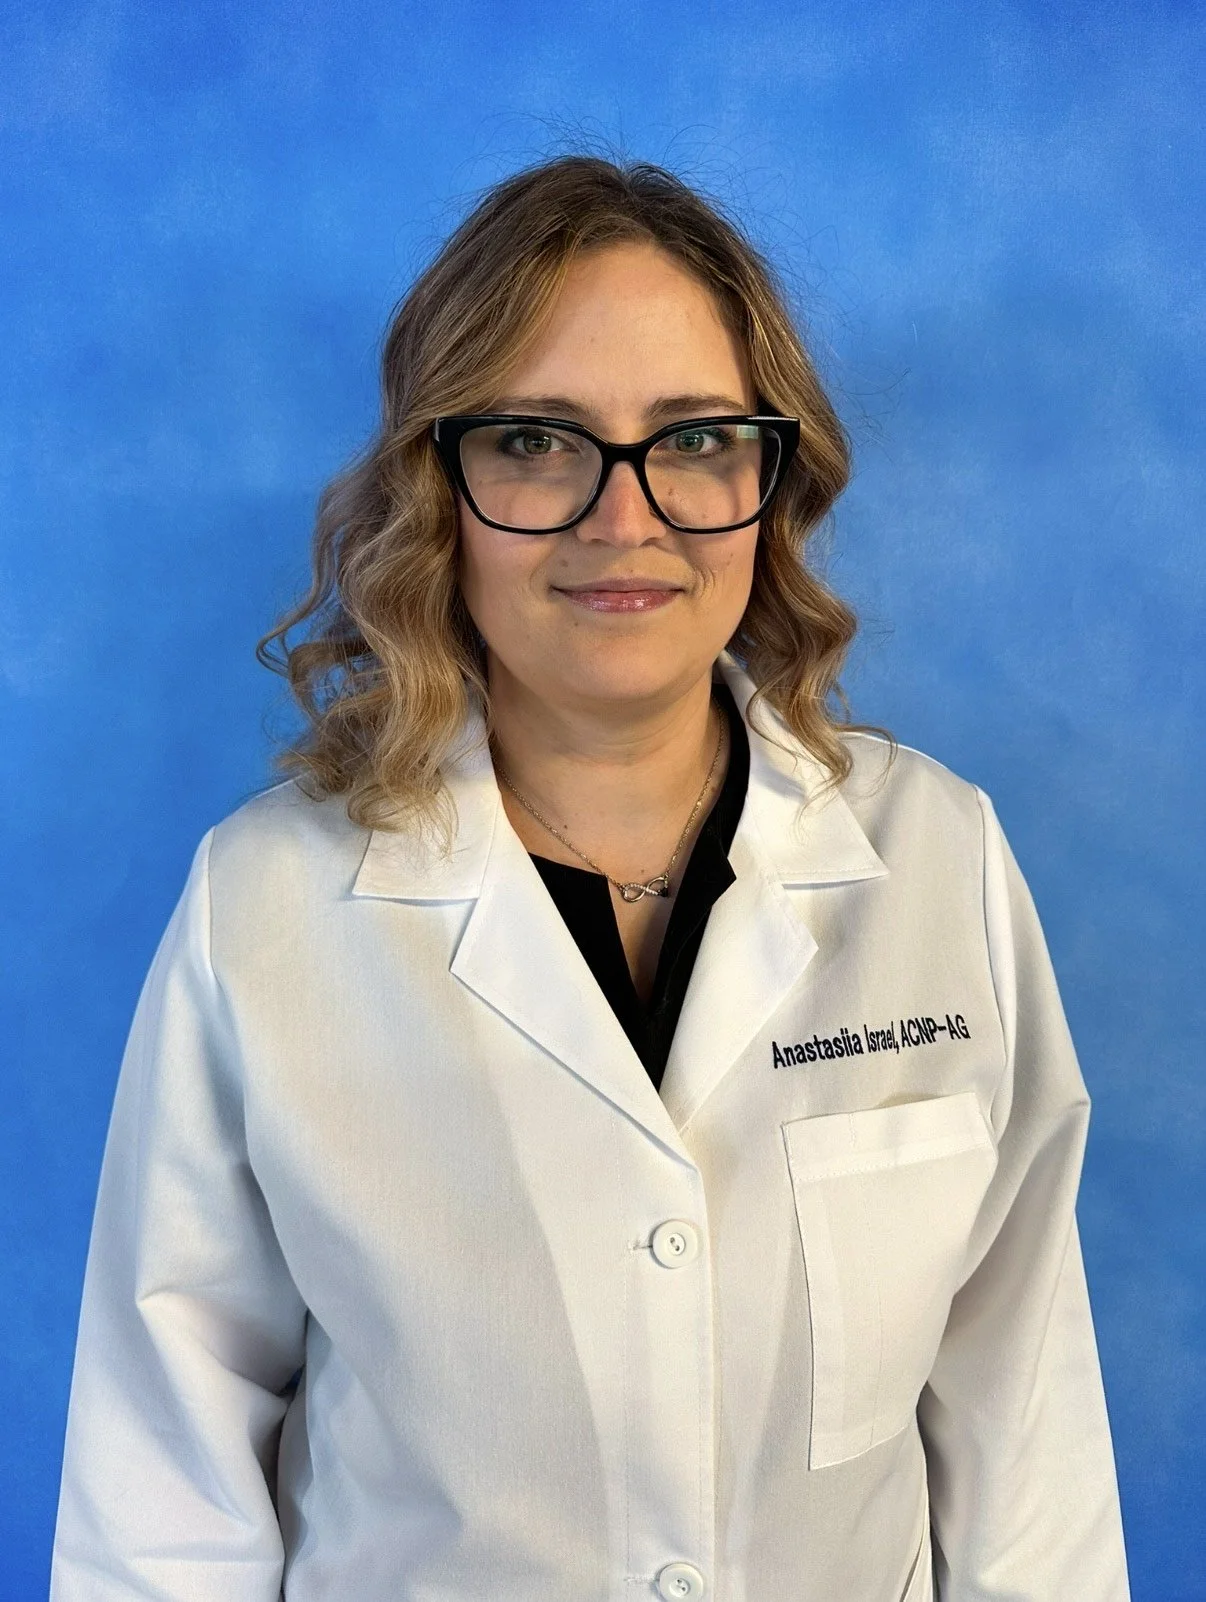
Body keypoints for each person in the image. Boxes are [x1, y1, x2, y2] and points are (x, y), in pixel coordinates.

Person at [50, 155, 1131, 1602]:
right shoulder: (267, 906)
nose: (622, 519)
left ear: (770, 476)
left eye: (690, 439)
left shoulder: (937, 857)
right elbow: (159, 1503)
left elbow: (1027, 1450)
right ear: (439, 485)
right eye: (538, 441)